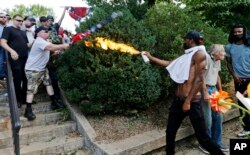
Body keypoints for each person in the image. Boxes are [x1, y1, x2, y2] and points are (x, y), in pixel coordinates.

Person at [142, 31, 224, 155]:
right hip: (178, 101)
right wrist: (150, 57)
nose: (184, 41)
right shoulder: (187, 56)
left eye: (185, 39)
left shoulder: (199, 54)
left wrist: (187, 101)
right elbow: (170, 64)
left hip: (192, 102)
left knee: (203, 139)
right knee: (170, 132)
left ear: (191, 40)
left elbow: (199, 79)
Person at [24, 26, 69, 121]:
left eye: (48, 31)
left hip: (42, 69)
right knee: (31, 89)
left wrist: (55, 52)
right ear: (38, 33)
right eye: (45, 31)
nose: (47, 32)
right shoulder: (39, 41)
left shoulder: (44, 42)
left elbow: (50, 49)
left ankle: (54, 102)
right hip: (33, 70)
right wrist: (63, 46)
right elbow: (50, 47)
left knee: (48, 84)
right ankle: (28, 110)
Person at [198, 44, 229, 153]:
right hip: (205, 89)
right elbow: (200, 76)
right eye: (222, 52)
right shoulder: (206, 58)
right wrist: (205, 92)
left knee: (219, 117)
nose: (224, 53)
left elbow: (217, 76)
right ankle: (206, 144)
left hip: (214, 89)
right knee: (208, 119)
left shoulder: (218, 60)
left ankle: (217, 142)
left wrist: (220, 91)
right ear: (215, 53)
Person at [225, 23, 250, 137]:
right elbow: (228, 63)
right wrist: (234, 75)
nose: (237, 34)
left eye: (239, 31)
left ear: (244, 32)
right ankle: (247, 128)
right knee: (242, 104)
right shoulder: (229, 47)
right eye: (235, 32)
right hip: (238, 80)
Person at [1, 14, 30, 108]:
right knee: (17, 78)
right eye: (18, 20)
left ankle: (25, 99)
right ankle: (18, 100)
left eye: (22, 21)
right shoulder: (8, 29)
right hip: (15, 58)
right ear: (13, 20)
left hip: (25, 58)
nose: (20, 22)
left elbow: (27, 45)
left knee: (26, 79)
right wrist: (11, 51)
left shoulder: (23, 32)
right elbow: (2, 42)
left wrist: (37, 40)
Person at [0, 12, 7, 81]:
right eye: (1, 17)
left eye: (5, 17)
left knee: (4, 62)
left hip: (6, 47)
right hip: (1, 46)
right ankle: (1, 77)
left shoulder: (6, 27)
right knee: (1, 61)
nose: (3, 18)